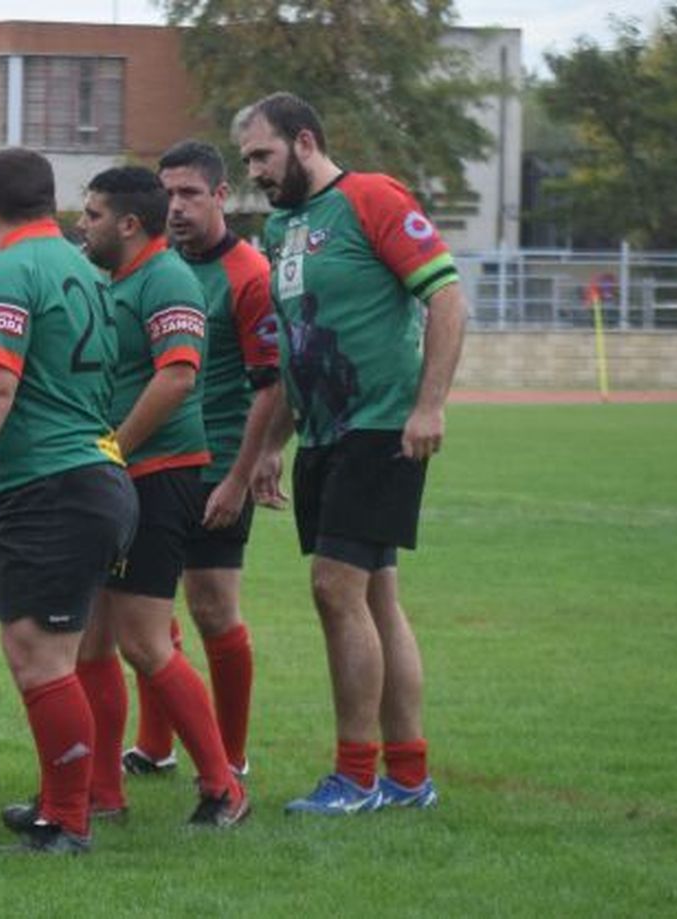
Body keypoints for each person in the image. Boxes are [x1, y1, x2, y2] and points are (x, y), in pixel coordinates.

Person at [235, 92, 466, 813]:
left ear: (305, 142)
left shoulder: (371, 198)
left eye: (263, 156)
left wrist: (429, 404)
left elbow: (448, 297)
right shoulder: (281, 228)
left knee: (335, 588)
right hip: (326, 432)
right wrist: (274, 442)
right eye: (247, 160)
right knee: (374, 594)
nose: (256, 173)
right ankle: (407, 773)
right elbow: (299, 342)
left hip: (381, 426)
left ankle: (355, 774)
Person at [0, 147, 138, 854]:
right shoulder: (85, 269)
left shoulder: (4, 273)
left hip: (57, 485)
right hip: (90, 475)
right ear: (55, 204)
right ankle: (61, 800)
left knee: (37, 655)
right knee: (55, 654)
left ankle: (67, 820)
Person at [72, 165, 249, 828]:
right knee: (89, 641)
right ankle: (102, 792)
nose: (81, 225)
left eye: (91, 215)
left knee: (144, 640)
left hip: (159, 474)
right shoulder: (111, 279)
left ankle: (223, 785)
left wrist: (114, 447)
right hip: (116, 476)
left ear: (127, 223)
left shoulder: (167, 277)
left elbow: (178, 374)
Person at [121, 141, 279, 780]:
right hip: (150, 463)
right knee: (146, 607)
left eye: (190, 194)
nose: (176, 206)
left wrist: (241, 476)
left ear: (221, 197)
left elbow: (270, 384)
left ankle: (231, 757)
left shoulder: (249, 275)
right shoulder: (152, 267)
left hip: (216, 466)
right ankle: (155, 746)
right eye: (168, 194)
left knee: (212, 607)